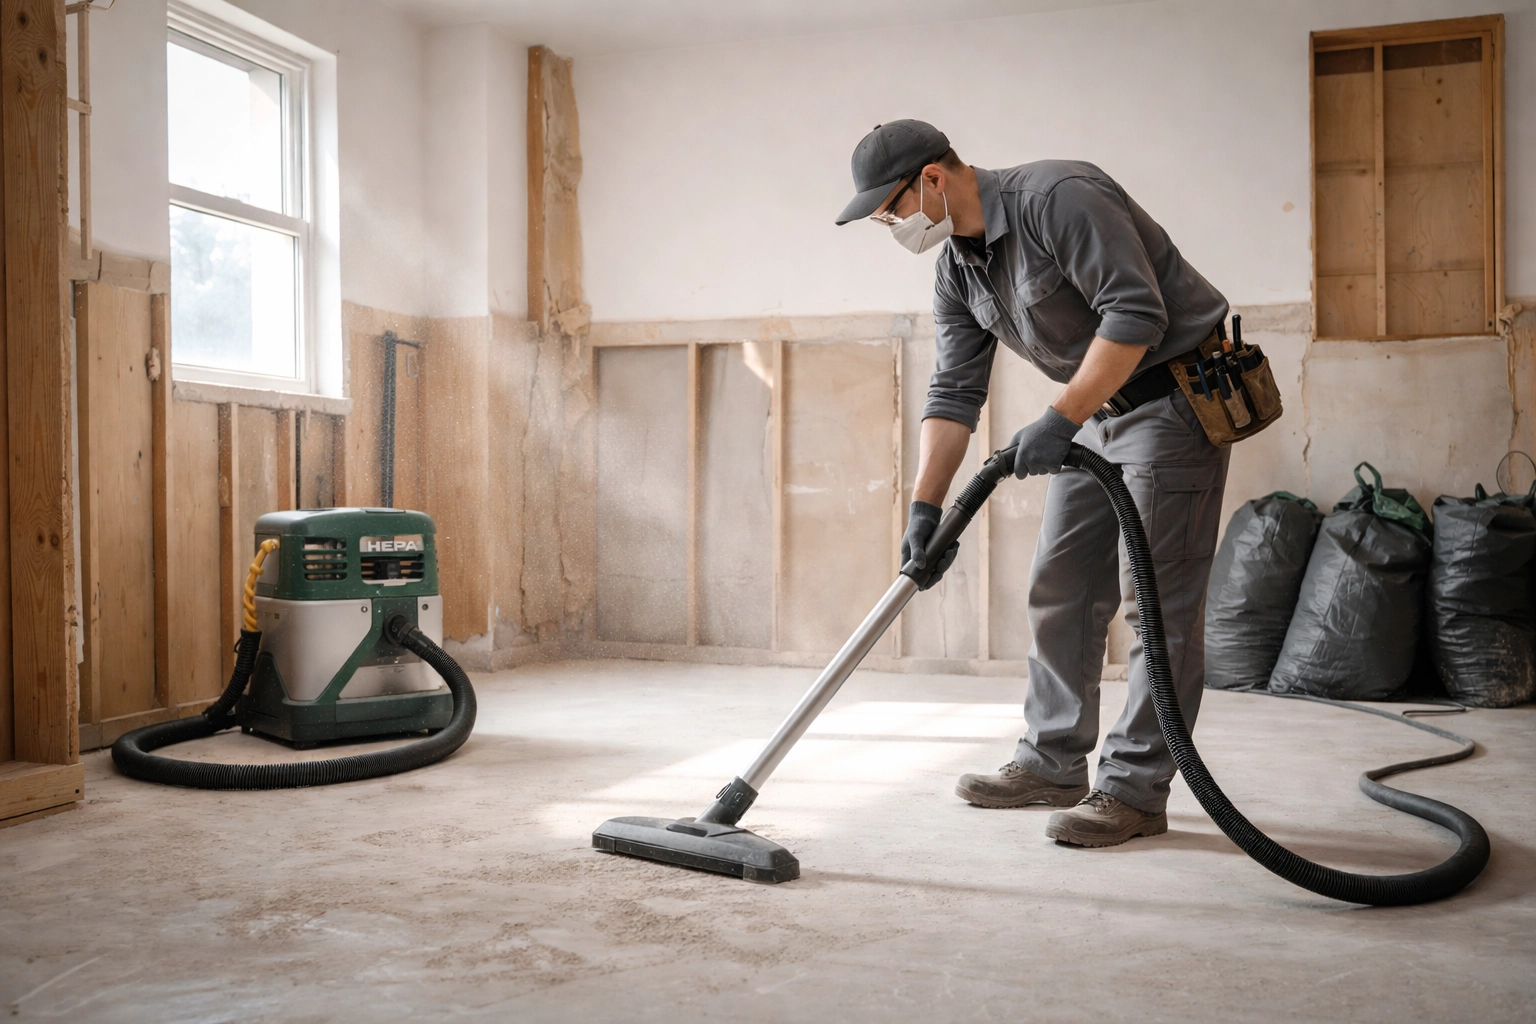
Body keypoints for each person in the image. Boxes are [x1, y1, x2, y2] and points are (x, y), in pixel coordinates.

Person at [835, 120, 1229, 847]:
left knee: (1156, 606)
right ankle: (1052, 762)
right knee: (1062, 585)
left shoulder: (1059, 197)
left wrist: (1057, 419)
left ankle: (1135, 791)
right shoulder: (957, 266)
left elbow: (1137, 313)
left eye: (891, 209)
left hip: (1174, 397)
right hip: (1097, 410)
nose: (891, 226)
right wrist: (925, 507)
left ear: (931, 178)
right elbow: (954, 392)